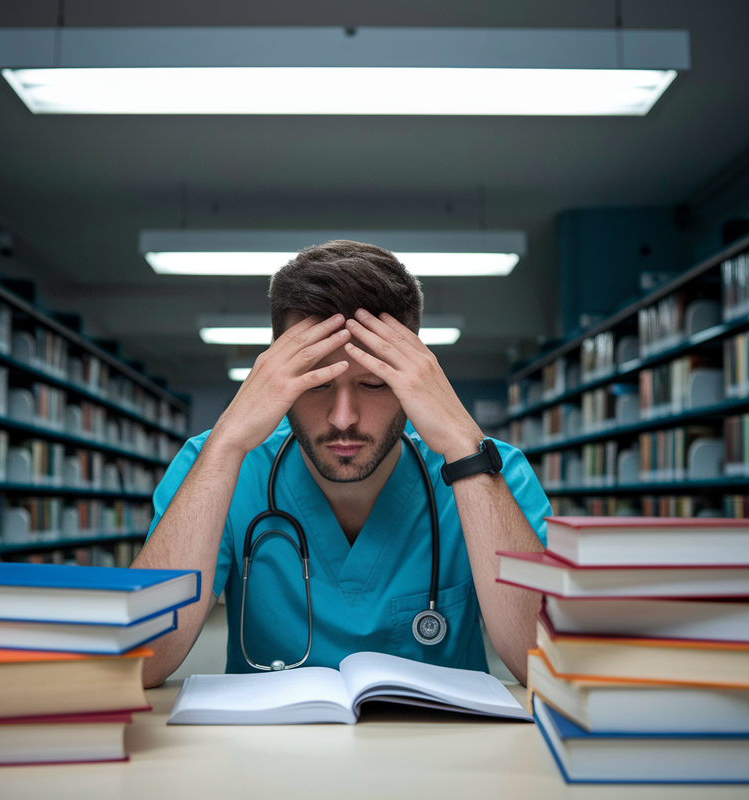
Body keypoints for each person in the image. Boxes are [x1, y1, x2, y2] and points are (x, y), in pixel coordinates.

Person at [133, 240, 549, 687]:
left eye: (373, 384)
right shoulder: (217, 465)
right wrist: (228, 441)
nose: (343, 418)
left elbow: (542, 662)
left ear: (416, 379)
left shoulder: (490, 472)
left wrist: (463, 445)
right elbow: (141, 659)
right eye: (316, 383)